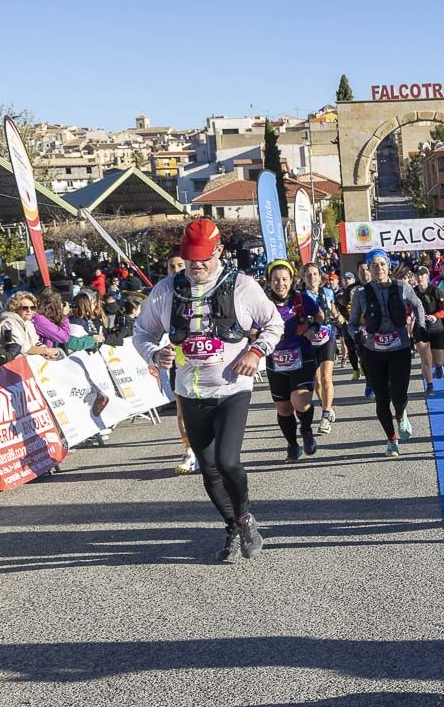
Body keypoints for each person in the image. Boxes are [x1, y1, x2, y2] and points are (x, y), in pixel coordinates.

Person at [134, 218, 283, 562]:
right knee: (209, 468)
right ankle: (233, 526)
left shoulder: (243, 286)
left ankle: (245, 519)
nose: (196, 265)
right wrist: (155, 353)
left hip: (232, 389)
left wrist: (256, 351)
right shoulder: (167, 289)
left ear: (219, 251)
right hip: (190, 391)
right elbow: (141, 333)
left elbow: (274, 323)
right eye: (190, 259)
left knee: (228, 461)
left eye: (203, 258)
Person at [348, 249, 424, 457]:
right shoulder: (361, 294)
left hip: (399, 347)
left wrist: (420, 326)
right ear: (368, 269)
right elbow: (352, 323)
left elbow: (418, 305)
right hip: (373, 351)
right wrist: (356, 335)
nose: (379, 269)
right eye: (374, 265)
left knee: (399, 395)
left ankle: (400, 414)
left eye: (382, 264)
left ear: (388, 266)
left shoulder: (402, 287)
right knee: (381, 398)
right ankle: (392, 440)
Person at [265, 260, 321, 463]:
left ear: (292, 280)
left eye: (284, 279)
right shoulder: (263, 303)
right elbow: (252, 328)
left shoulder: (301, 299)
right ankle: (292, 444)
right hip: (276, 360)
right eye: (276, 280)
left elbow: (319, 315)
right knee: (284, 408)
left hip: (301, 356)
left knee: (300, 400)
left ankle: (306, 430)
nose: (280, 283)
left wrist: (313, 329)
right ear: (269, 281)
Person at [161, 253, 199, 475]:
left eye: (179, 266)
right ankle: (190, 451)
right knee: (182, 410)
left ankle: (206, 449)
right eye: (171, 266)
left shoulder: (200, 289)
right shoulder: (163, 295)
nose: (176, 270)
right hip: (180, 360)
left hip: (205, 360)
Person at [302, 263, 340, 435]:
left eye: (315, 274)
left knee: (326, 378)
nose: (312, 277)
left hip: (327, 338)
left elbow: (333, 311)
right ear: (304, 278)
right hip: (310, 342)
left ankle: (325, 416)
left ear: (320, 276)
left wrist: (343, 320)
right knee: (317, 383)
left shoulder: (328, 292)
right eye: (309, 275)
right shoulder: (300, 297)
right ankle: (327, 404)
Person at [410, 265, 444, 394]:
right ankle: (430, 385)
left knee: (437, 360)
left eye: (422, 275)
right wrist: (407, 317)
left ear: (427, 276)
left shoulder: (435, 291)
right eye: (417, 275)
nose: (420, 277)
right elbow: (406, 308)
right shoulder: (412, 292)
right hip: (420, 328)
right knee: (425, 358)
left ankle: (439, 366)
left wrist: (436, 316)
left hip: (436, 328)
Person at [0, 292, 61, 361]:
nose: (29, 310)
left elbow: (35, 341)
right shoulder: (7, 322)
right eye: (25, 308)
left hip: (28, 361)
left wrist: (47, 352)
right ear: (15, 308)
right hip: (12, 363)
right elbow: (18, 347)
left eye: (32, 307)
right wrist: (45, 351)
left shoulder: (28, 322)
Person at [340, 269, 364, 381]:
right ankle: (355, 370)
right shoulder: (341, 293)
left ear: (354, 279)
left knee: (361, 346)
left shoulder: (359, 290)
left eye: (349, 278)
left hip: (360, 323)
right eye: (345, 279)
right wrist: (346, 317)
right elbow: (339, 307)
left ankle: (364, 366)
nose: (347, 281)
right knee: (350, 348)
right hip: (347, 322)